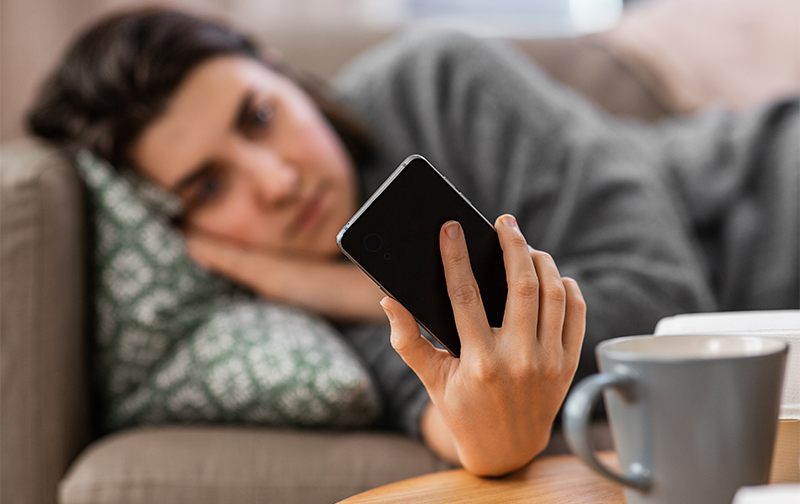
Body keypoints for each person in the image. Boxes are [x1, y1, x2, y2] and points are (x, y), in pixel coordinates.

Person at [26, 8, 718, 476]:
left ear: (286, 77)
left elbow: (665, 299)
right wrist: (485, 436)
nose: (275, 180)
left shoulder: (436, 82)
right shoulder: (296, 336)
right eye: (208, 188)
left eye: (261, 116)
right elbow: (452, 420)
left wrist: (332, 286)